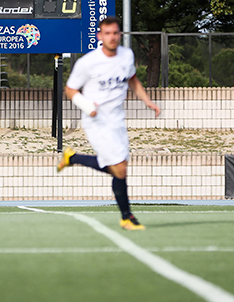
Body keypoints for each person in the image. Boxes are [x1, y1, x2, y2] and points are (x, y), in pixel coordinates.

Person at [57, 16, 160, 230]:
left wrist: (147, 100)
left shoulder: (127, 55)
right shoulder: (87, 62)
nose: (112, 37)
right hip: (96, 121)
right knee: (119, 169)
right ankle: (126, 217)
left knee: (120, 167)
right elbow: (69, 89)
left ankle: (73, 157)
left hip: (117, 121)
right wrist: (86, 105)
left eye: (115, 33)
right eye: (107, 33)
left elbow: (132, 79)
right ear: (99, 36)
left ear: (119, 34)